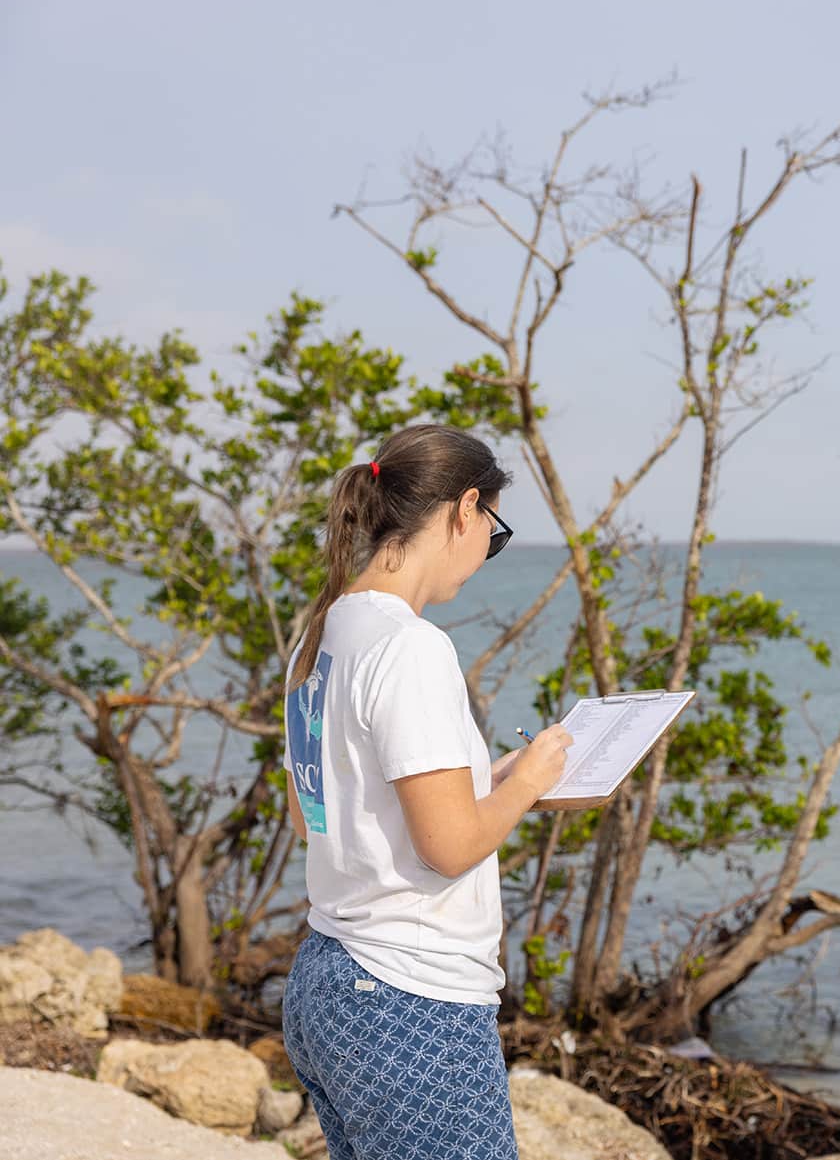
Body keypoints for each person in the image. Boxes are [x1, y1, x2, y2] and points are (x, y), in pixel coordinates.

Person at [279, 423, 574, 1160]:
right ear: (463, 510)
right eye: (493, 533)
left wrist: (497, 783)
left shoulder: (321, 632)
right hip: (411, 998)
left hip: (329, 980)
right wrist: (531, 776)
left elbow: (315, 809)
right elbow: (447, 848)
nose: (482, 556)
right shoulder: (411, 646)